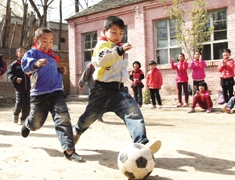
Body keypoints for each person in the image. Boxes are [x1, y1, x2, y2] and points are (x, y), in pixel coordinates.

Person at [73, 16, 161, 156]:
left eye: (121, 33)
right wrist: (119, 51)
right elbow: (102, 60)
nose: (117, 36)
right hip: (100, 91)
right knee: (88, 117)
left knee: (134, 113)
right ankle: (77, 131)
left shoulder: (116, 47)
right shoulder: (102, 45)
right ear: (105, 31)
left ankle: (142, 144)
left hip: (119, 91)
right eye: (114, 32)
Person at [21, 27, 85, 163]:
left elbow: (49, 72)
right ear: (35, 40)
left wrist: (59, 70)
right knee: (36, 124)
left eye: (50, 41)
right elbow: (26, 66)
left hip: (56, 92)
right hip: (39, 95)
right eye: (44, 41)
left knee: (63, 118)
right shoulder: (32, 53)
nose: (48, 44)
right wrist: (36, 63)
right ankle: (28, 124)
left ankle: (69, 150)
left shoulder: (51, 56)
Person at [8, 47, 31, 125]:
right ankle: (16, 113)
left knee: (27, 104)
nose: (23, 53)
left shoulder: (29, 63)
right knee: (20, 102)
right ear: (17, 54)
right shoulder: (14, 64)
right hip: (19, 87)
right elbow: (10, 74)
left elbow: (33, 73)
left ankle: (24, 118)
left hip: (28, 87)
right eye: (20, 52)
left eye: (24, 52)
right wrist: (15, 79)